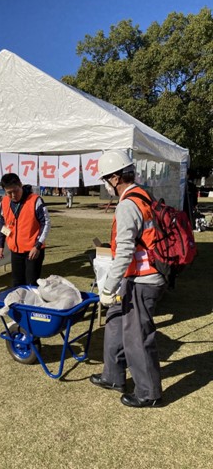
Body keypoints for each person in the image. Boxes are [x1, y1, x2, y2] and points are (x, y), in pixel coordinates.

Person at [90, 150, 167, 408]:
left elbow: (124, 252)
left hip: (143, 279)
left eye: (105, 179)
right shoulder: (143, 194)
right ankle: (113, 375)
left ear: (115, 178)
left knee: (137, 336)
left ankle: (148, 393)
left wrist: (108, 287)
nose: (105, 185)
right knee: (114, 324)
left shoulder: (127, 205)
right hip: (139, 276)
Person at [0, 173, 51, 287]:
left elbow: (46, 223)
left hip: (33, 250)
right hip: (15, 251)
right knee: (17, 283)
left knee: (31, 284)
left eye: (15, 191)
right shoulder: (4, 203)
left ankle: (33, 304)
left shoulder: (35, 200)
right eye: (9, 192)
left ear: (20, 185)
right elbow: (4, 224)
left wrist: (37, 246)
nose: (13, 195)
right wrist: (0, 244)